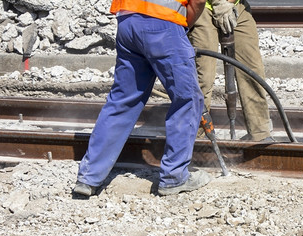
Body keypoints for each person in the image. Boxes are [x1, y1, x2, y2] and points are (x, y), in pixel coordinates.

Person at [73, 0, 211, 197]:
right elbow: (197, 1)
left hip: (128, 22)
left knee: (123, 100)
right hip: (164, 24)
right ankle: (174, 177)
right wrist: (181, 26)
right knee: (187, 99)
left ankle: (89, 177)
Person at [188, 0, 273, 142]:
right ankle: (196, 137)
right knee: (203, 77)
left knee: (252, 71)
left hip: (236, 6)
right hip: (202, 7)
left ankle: (260, 133)